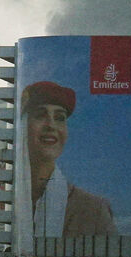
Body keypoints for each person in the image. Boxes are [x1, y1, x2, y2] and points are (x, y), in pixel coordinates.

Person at [19, 81, 117, 237]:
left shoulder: (93, 210)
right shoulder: (13, 199)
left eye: (59, 118)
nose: (51, 125)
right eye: (40, 115)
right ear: (22, 126)